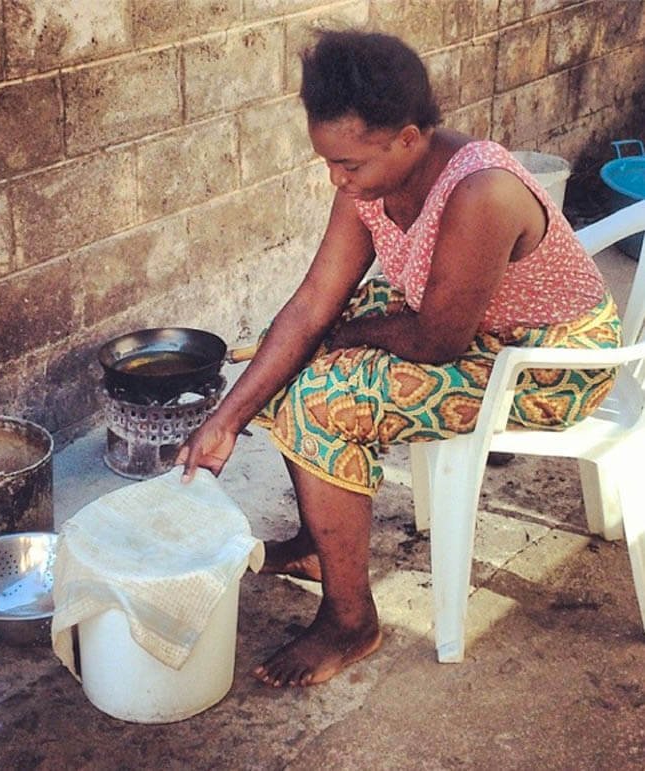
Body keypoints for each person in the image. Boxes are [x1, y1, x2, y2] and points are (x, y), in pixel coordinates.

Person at [175, 30, 621, 688]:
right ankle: (322, 544)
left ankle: (350, 621)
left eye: (348, 163)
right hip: (467, 320)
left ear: (409, 139)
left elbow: (438, 341)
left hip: (549, 361)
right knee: (287, 350)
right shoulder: (370, 185)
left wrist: (350, 335)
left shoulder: (481, 192)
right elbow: (312, 304)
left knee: (323, 400)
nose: (337, 178)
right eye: (330, 162)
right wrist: (226, 421)